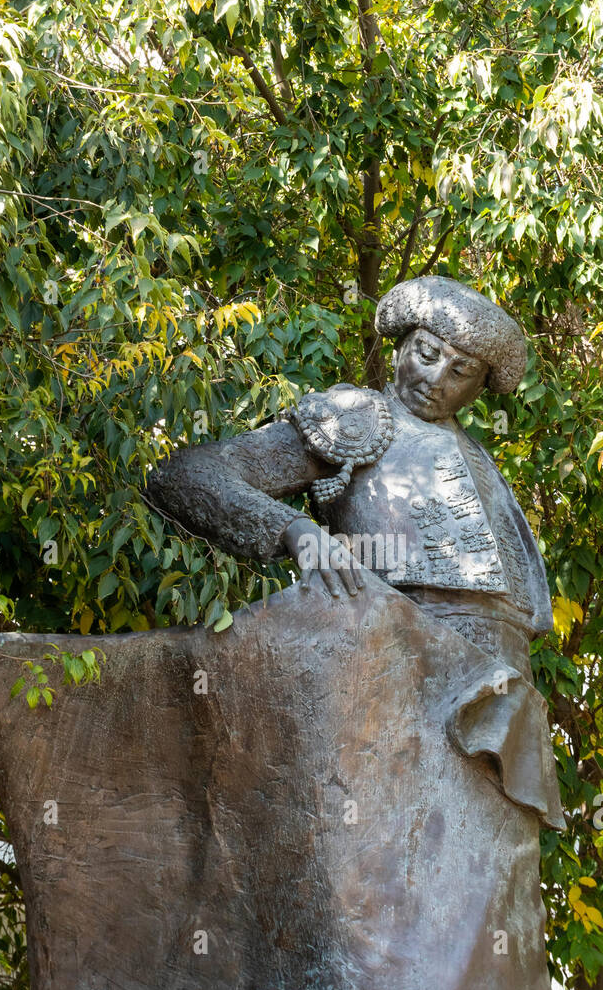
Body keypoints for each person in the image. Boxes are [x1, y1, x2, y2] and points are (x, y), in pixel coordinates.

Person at [147, 274, 564, 829]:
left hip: (504, 700)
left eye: (461, 371)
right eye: (427, 353)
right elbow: (190, 475)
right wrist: (298, 532)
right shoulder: (358, 418)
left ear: (482, 385)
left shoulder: (484, 466)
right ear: (402, 345)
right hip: (398, 670)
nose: (437, 378)